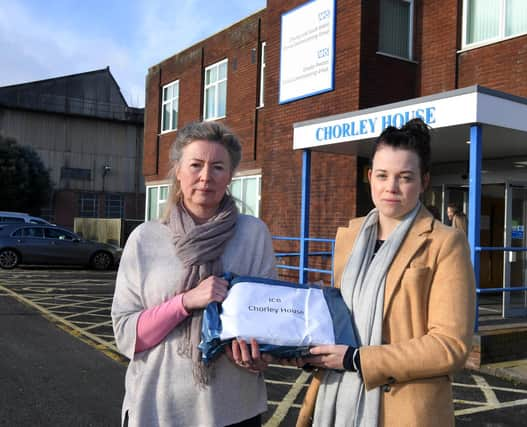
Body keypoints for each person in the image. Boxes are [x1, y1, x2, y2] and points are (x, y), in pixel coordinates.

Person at [296, 118, 476, 427]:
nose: (391, 187)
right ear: (370, 177)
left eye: (405, 177)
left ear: (424, 181)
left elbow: (451, 345)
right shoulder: (350, 236)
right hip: (337, 402)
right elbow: (343, 318)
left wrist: (358, 360)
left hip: (405, 410)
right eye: (382, 175)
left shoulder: (446, 242)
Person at [111, 121, 277, 427]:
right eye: (196, 165)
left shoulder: (254, 234)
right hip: (157, 408)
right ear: (178, 170)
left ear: (230, 176)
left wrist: (259, 354)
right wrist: (186, 301)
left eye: (217, 167)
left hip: (233, 409)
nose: (205, 177)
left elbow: (267, 324)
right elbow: (126, 335)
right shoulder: (144, 238)